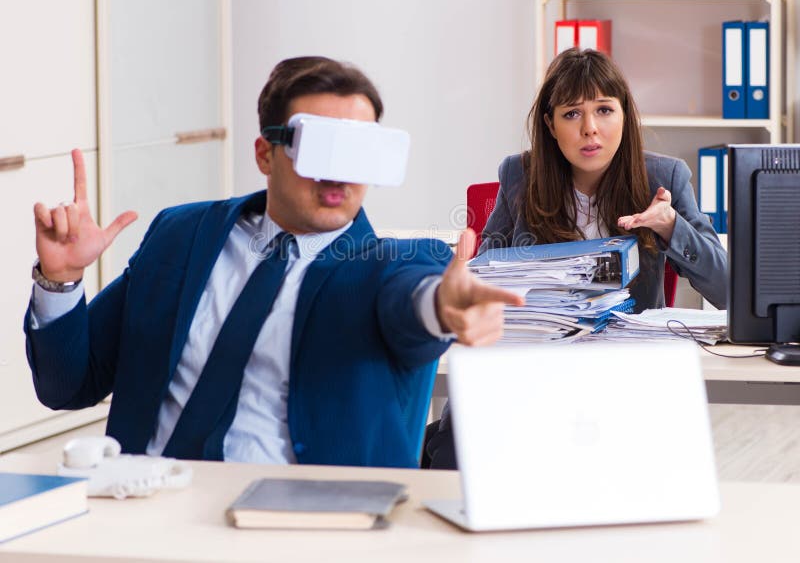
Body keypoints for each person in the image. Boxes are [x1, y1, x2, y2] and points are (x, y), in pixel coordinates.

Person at [25, 56, 523, 469]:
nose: (338, 175)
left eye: (356, 152)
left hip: (304, 522)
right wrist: (61, 281)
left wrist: (442, 307)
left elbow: (412, 301)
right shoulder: (180, 234)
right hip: (149, 502)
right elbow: (68, 384)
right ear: (265, 153)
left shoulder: (398, 262)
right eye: (319, 149)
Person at [425, 47, 728, 470]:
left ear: (625, 115)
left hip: (621, 381)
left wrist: (671, 225)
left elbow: (727, 288)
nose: (590, 129)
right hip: (530, 374)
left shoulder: (664, 178)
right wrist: (462, 280)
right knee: (460, 454)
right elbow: (486, 276)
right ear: (550, 124)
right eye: (572, 114)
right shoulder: (519, 176)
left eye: (604, 110)